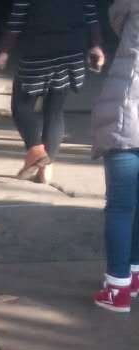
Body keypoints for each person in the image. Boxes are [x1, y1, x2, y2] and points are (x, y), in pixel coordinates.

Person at [0, 1, 106, 184]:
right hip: (71, 53)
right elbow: (91, 16)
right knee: (54, 110)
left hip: (38, 53)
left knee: (21, 106)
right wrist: (96, 45)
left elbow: (17, 18)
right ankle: (46, 169)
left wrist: (4, 50)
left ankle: (36, 150)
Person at [92, 0, 139, 311]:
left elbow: (116, 18)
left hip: (128, 116)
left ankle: (117, 288)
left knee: (121, 207)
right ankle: (133, 275)